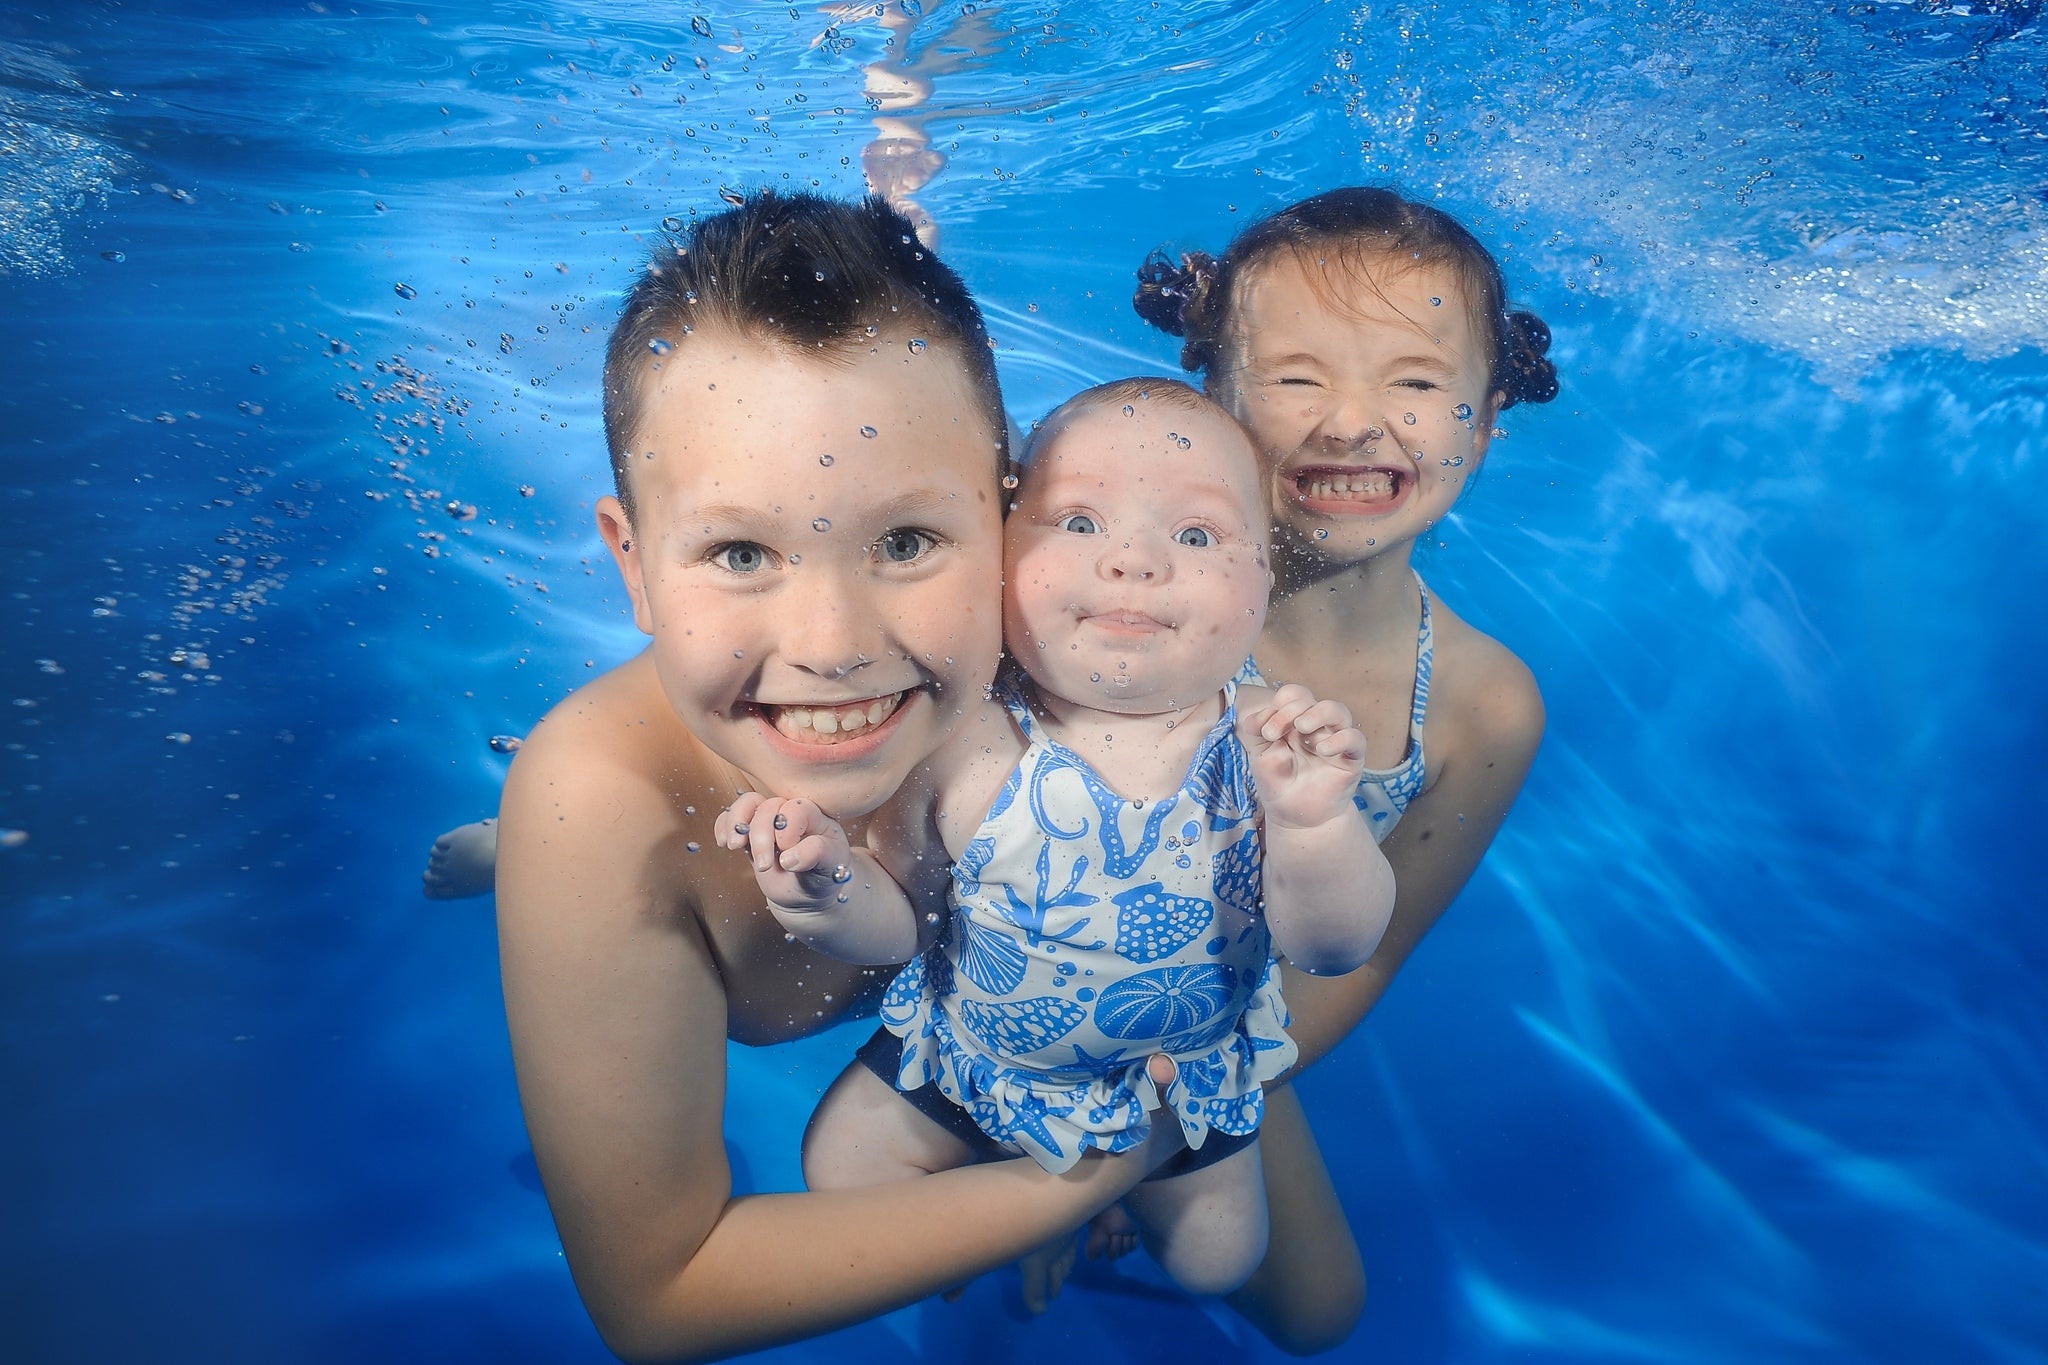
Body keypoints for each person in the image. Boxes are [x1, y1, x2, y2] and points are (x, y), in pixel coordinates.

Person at [493, 190, 1189, 1364]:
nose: (831, 643)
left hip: (1001, 1026)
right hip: (637, 828)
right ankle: (491, 857)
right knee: (526, 846)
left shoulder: (1088, 685)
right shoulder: (600, 808)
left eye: (907, 542)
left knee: (1314, 1308)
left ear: (1010, 519)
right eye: (740, 551)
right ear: (633, 564)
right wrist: (1094, 1165)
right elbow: (658, 1299)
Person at [713, 378, 1396, 1298]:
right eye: (1079, 522)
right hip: (977, 1060)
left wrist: (1315, 820)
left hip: (1174, 1081)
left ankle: (1080, 1198)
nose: (1135, 562)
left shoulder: (1274, 746)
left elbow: (1334, 946)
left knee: (1218, 1265)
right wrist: (829, 888)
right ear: (997, 552)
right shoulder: (964, 744)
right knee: (840, 1166)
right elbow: (904, 925)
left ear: (1263, 580)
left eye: (1196, 536)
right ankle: (1033, 1210)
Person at [1116, 186, 1558, 1343]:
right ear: (1210, 395)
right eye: (1297, 379)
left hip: (1209, 1023)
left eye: (1414, 383)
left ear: (1486, 416)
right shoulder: (1119, 592)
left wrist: (1169, 1110)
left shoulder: (1481, 705)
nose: (1352, 423)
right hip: (1010, 972)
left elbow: (1359, 960)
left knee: (1318, 1311)